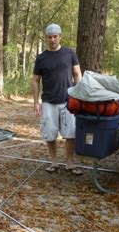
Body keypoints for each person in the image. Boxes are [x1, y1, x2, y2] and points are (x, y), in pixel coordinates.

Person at [31, 24, 83, 175]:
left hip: (68, 101)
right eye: (49, 37)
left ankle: (70, 163)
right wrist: (36, 102)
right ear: (46, 38)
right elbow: (35, 80)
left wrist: (77, 94)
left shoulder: (69, 53)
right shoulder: (41, 58)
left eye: (55, 36)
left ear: (60, 36)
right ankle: (54, 162)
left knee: (70, 133)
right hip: (48, 101)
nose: (52, 39)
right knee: (49, 133)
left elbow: (77, 74)